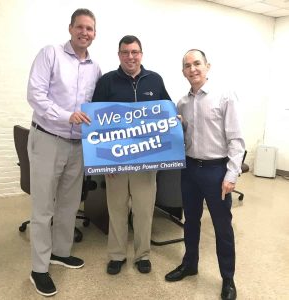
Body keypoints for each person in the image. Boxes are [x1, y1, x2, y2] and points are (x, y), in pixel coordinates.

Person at [27, 8, 101, 297]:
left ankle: (60, 252)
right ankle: (39, 269)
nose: (85, 32)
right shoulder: (51, 54)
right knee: (43, 208)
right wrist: (66, 115)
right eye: (80, 27)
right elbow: (35, 94)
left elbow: (99, 107)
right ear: (70, 28)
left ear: (95, 34)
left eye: (90, 29)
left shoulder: (96, 67)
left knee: (69, 205)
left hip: (77, 146)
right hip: (48, 138)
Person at [164, 49, 245, 300]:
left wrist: (231, 175)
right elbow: (185, 135)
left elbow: (236, 140)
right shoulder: (182, 103)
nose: (192, 69)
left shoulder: (225, 96)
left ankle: (228, 279)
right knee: (191, 221)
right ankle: (190, 264)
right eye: (187, 66)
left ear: (207, 66)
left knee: (222, 227)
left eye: (197, 63)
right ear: (183, 71)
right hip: (189, 170)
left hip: (215, 171)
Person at [91, 35, 171, 275]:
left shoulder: (155, 80)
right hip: (115, 160)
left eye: (134, 52)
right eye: (125, 52)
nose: (130, 56)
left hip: (146, 161)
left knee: (144, 210)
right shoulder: (107, 82)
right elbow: (97, 122)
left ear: (141, 54)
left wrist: (174, 120)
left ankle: (142, 255)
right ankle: (116, 255)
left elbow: (166, 113)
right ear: (119, 55)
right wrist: (104, 162)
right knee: (116, 209)